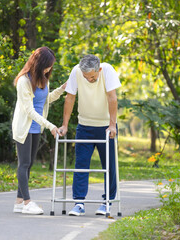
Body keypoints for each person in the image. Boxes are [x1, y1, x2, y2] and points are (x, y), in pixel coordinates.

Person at [59, 54, 121, 216]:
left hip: (106, 127)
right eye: (86, 77)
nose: (89, 80)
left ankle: (107, 202)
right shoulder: (76, 72)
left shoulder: (107, 70)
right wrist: (65, 125)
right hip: (84, 126)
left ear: (99, 69)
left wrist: (112, 125)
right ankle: (79, 202)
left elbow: (112, 97)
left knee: (109, 166)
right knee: (81, 165)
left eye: (92, 77)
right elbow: (70, 98)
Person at [12, 47, 66, 215]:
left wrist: (62, 89)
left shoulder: (43, 79)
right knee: (24, 163)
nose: (49, 69)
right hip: (24, 128)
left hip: (36, 128)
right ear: (38, 63)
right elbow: (29, 110)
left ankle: (19, 202)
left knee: (29, 165)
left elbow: (45, 100)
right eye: (47, 66)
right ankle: (27, 202)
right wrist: (50, 126)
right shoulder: (23, 81)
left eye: (50, 66)